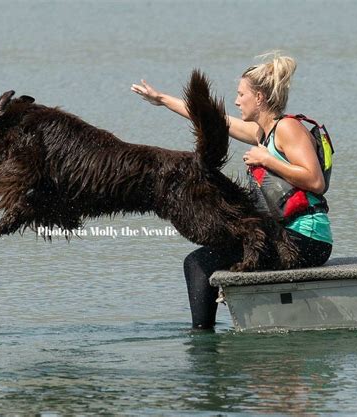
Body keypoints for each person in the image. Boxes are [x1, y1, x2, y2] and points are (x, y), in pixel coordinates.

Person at [131, 54, 333, 329]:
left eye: (241, 94)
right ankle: (209, 335)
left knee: (199, 263)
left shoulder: (287, 128)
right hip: (284, 236)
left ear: (259, 97)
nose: (236, 101)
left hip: (305, 240)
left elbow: (315, 181)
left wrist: (267, 160)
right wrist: (162, 99)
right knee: (202, 259)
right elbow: (215, 120)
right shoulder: (261, 132)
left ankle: (204, 344)